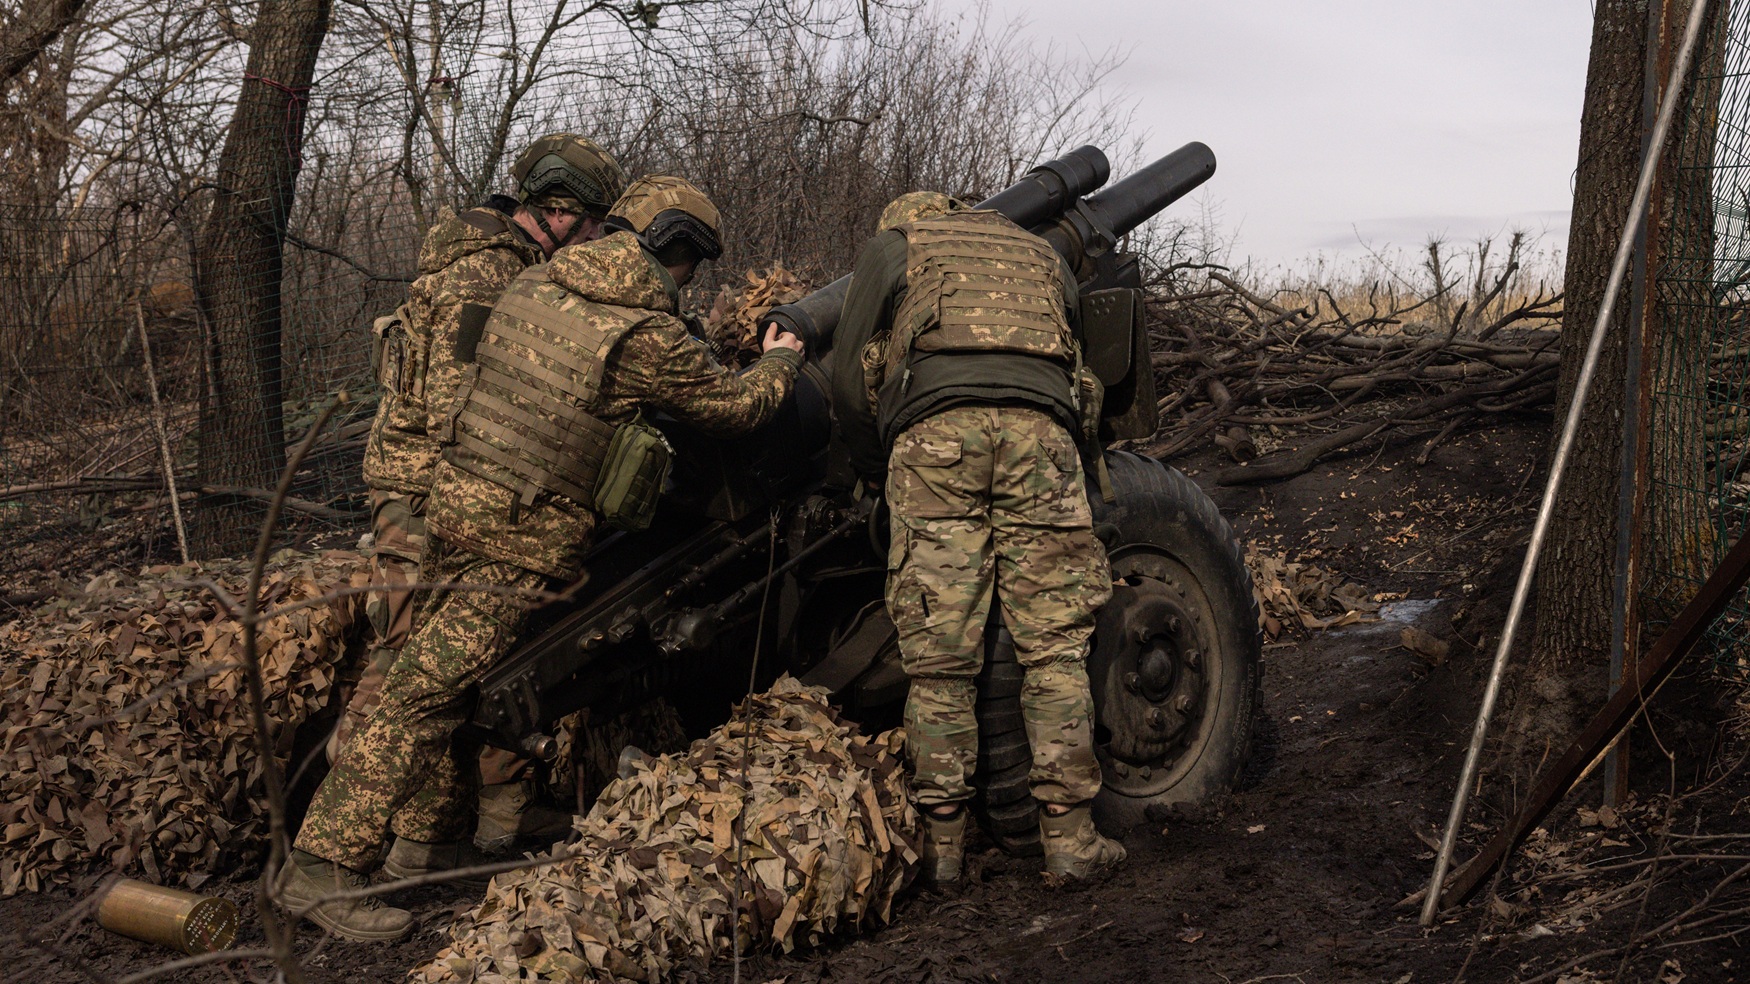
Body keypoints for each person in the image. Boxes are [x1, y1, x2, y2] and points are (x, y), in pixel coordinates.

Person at [282, 176, 806, 941]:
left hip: (452, 510)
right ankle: (322, 870)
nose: (687, 280)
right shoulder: (642, 340)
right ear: (671, 247)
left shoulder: (532, 284)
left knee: (445, 686)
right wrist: (781, 359)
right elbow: (736, 409)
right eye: (689, 264)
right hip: (519, 535)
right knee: (423, 697)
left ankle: (431, 841)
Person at [341, 133, 628, 855]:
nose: (591, 243)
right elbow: (459, 411)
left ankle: (499, 815)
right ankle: (343, 836)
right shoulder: (486, 277)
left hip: (453, 490)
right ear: (559, 213)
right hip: (425, 492)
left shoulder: (507, 262)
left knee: (488, 651)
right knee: (408, 668)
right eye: (591, 227)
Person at [831, 191, 1124, 887]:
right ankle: (1071, 841)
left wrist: (880, 467)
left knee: (939, 659)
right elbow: (1083, 372)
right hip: (1041, 438)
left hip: (936, 443)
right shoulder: (1042, 253)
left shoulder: (898, 244)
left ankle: (943, 850)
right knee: (1055, 648)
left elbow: (847, 378)